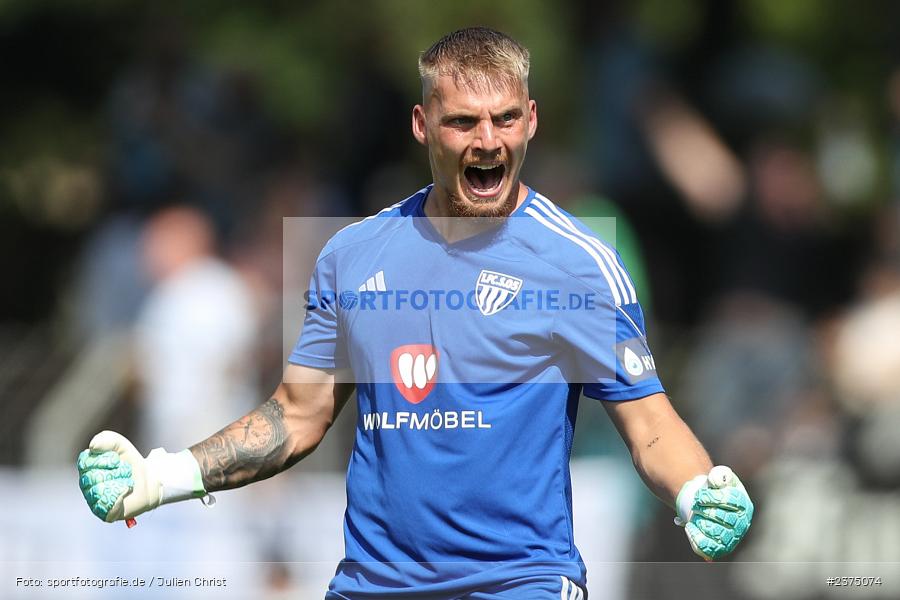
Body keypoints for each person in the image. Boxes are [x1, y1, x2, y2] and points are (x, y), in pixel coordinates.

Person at [77, 28, 753, 599]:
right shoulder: (352, 254)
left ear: (532, 121)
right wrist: (157, 478)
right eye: (463, 121)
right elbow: (298, 414)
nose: (488, 140)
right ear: (423, 124)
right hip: (372, 585)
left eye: (506, 119)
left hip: (521, 584)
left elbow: (651, 425)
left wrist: (698, 492)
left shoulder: (578, 263)